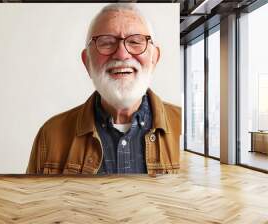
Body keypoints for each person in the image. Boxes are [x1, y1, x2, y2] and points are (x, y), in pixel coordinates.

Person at [27, 3, 181, 176]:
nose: (122, 54)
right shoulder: (51, 135)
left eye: (135, 41)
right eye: (106, 43)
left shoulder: (181, 127)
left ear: (154, 59)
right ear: (87, 62)